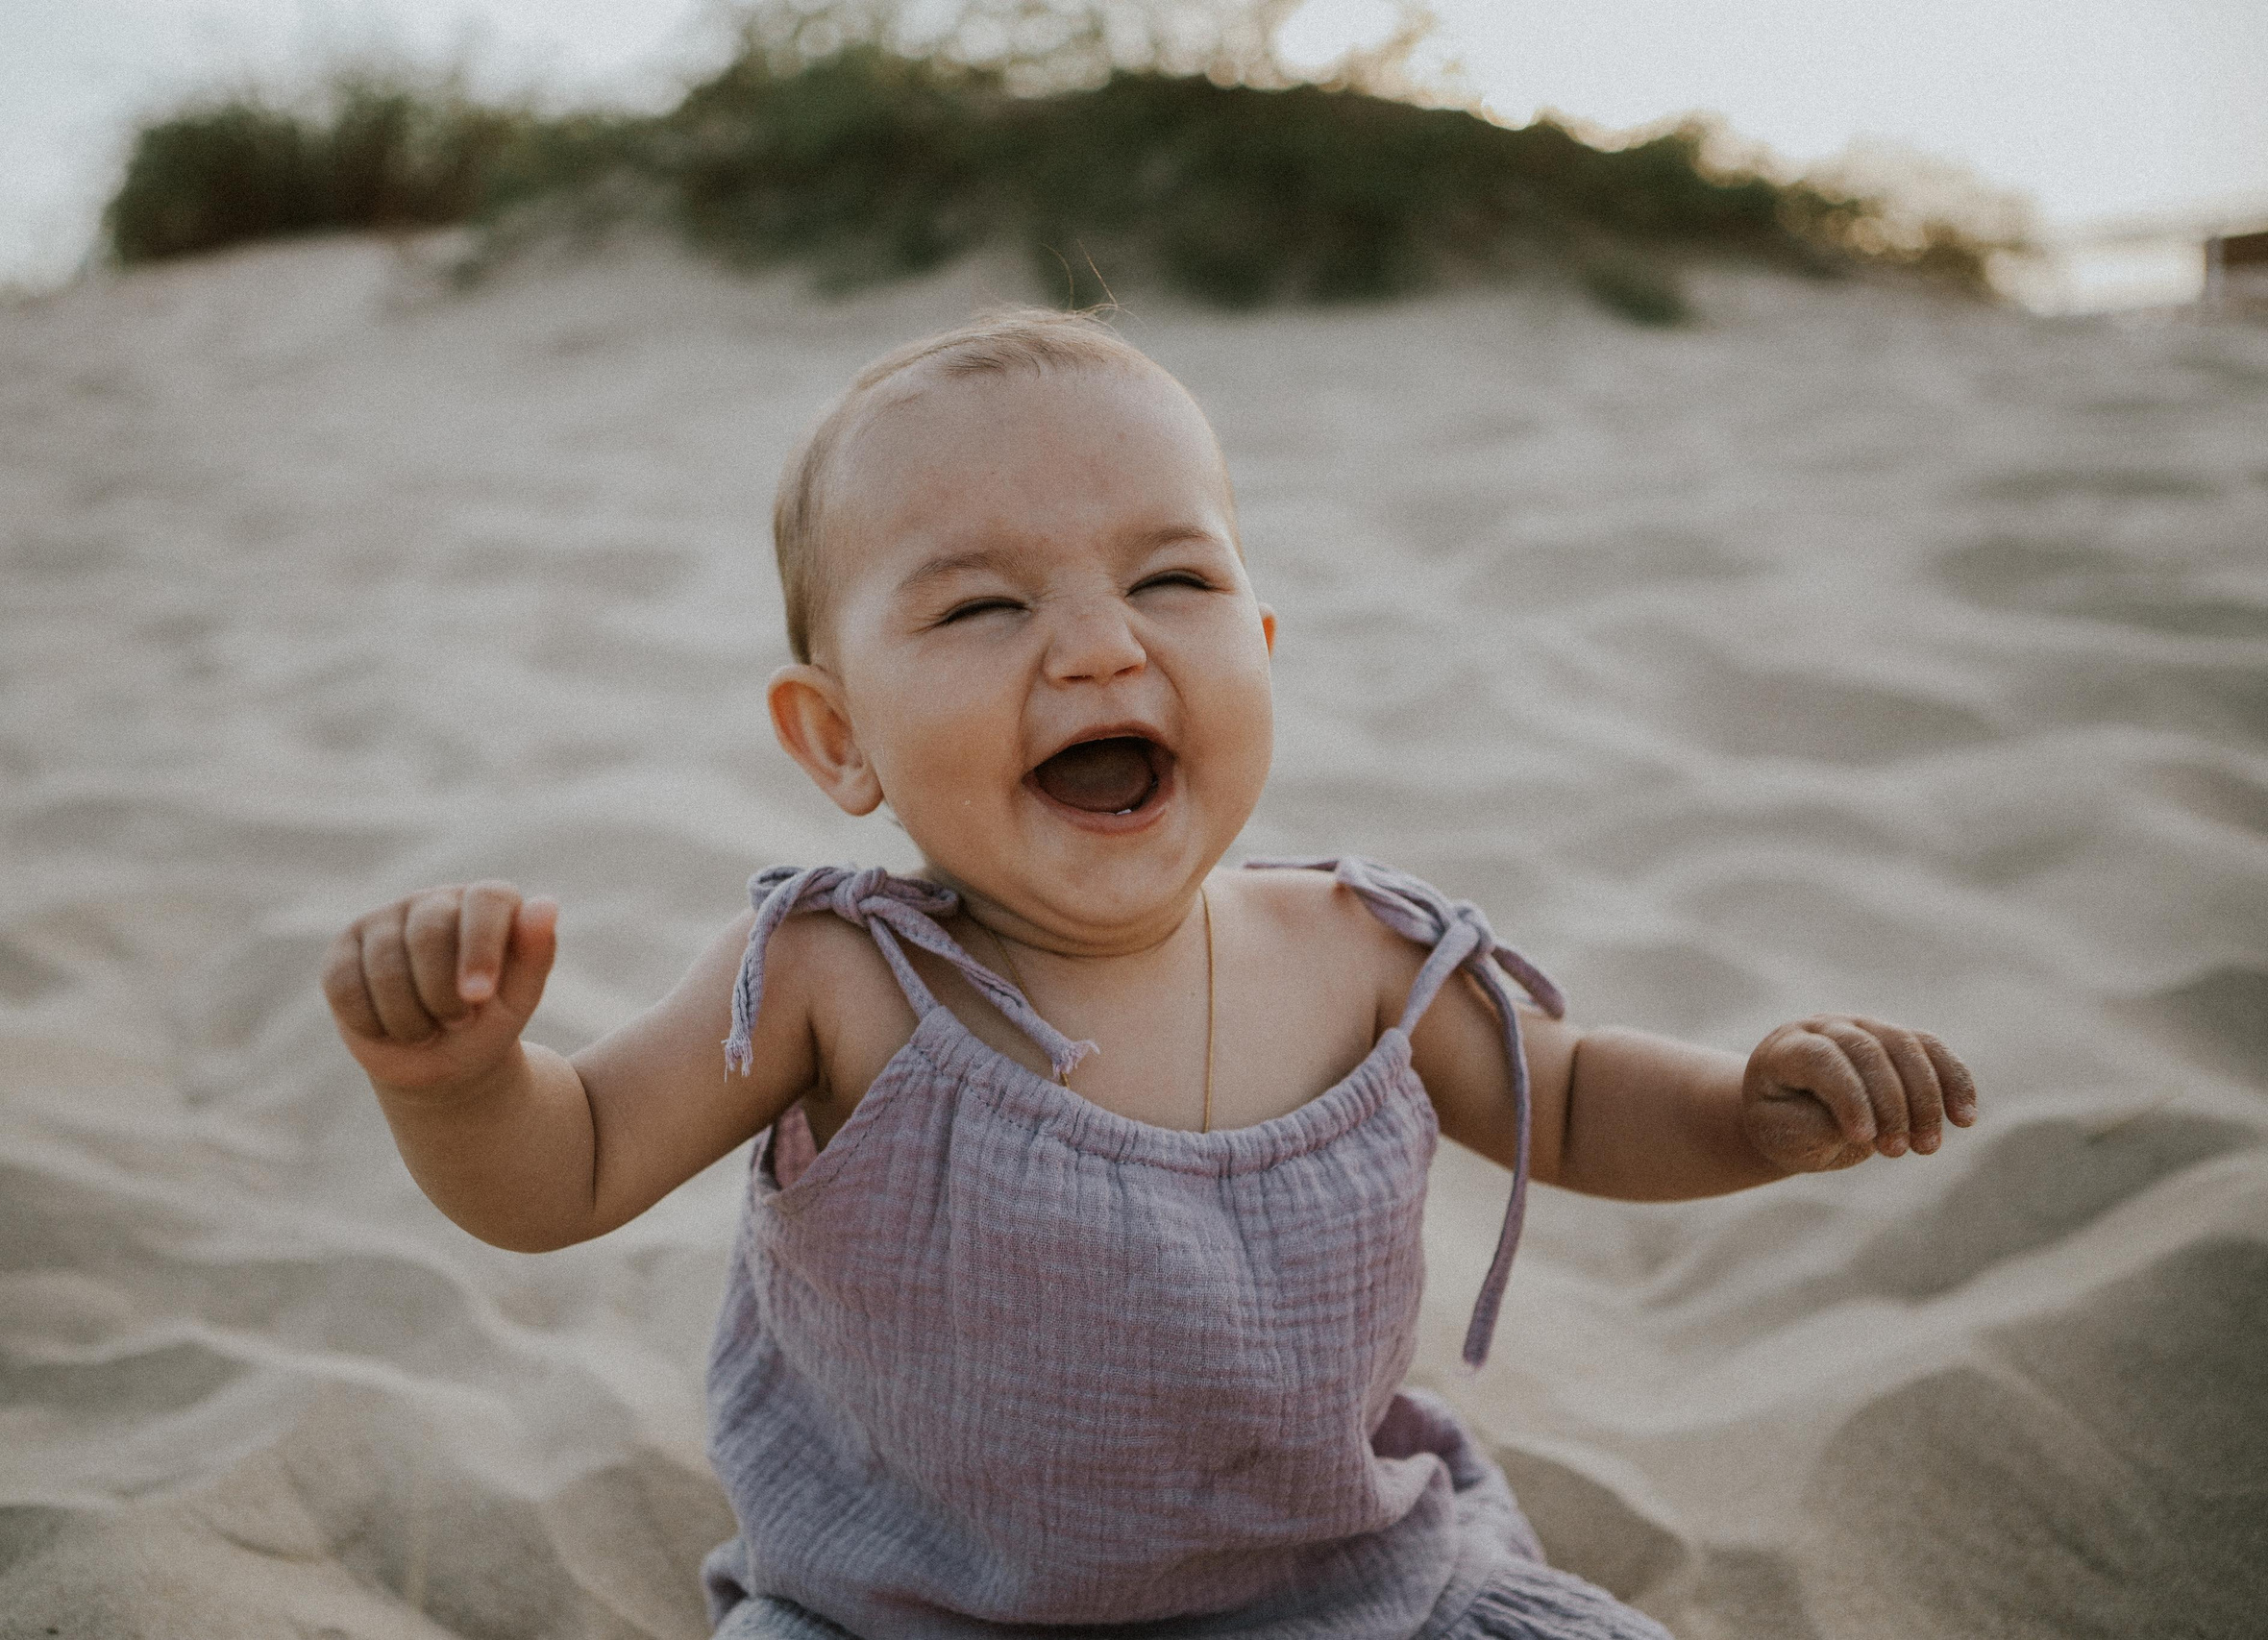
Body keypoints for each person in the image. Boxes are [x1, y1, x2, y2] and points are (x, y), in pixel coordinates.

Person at [322, 308, 1979, 1638]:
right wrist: (465, 1082)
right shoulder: (835, 979)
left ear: (1257, 652)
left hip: (1336, 1596)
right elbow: (572, 1170)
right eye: (979, 606)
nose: (1103, 643)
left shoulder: (1363, 953)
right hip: (898, 1619)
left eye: (1172, 580)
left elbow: (1582, 1095)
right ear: (838, 741)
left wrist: (1753, 1114)